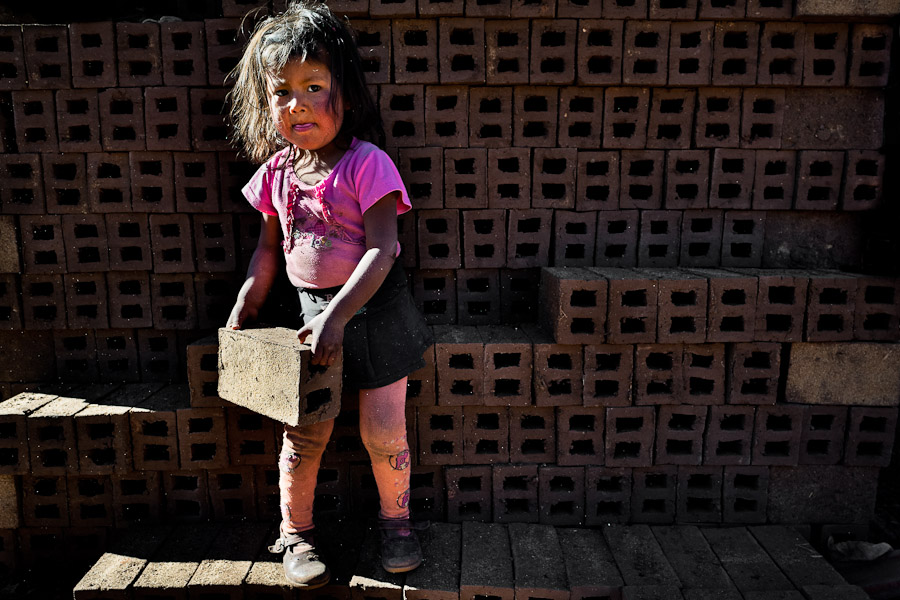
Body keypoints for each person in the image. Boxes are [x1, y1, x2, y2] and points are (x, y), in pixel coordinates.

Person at [225, 0, 433, 588]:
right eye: (280, 92)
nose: (296, 105)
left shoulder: (369, 165)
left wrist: (340, 316)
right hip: (312, 320)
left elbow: (383, 249)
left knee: (383, 430)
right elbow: (268, 250)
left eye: (313, 86)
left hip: (375, 315)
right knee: (305, 431)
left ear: (346, 92)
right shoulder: (277, 173)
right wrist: (248, 301)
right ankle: (295, 532)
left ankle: (397, 525)